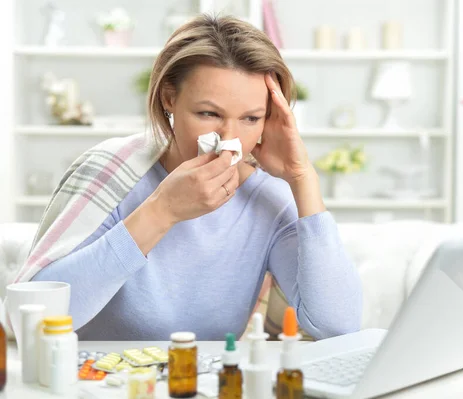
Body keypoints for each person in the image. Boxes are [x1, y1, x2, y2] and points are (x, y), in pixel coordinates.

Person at [26, 15, 362, 341]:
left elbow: (337, 326)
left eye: (250, 118)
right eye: (209, 114)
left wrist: (303, 178)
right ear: (169, 98)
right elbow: (36, 315)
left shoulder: (268, 199)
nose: (229, 138)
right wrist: (162, 211)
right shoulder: (112, 172)